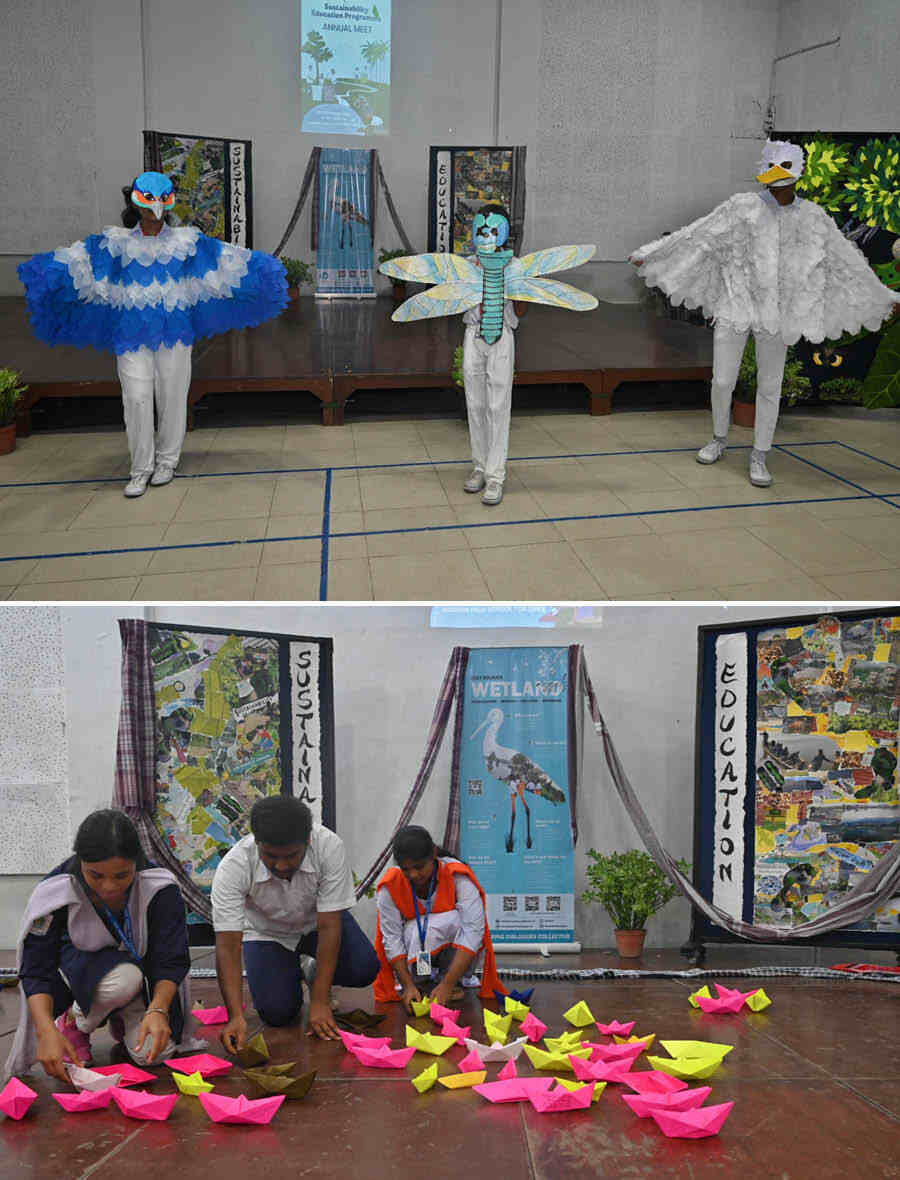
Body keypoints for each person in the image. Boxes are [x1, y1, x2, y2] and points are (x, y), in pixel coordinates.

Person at [630, 140, 900, 487]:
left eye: (785, 174)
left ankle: (760, 454)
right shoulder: (741, 207)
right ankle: (718, 439)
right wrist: (652, 253)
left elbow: (846, 261)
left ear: (797, 176)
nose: (778, 182)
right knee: (723, 380)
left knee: (770, 386)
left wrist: (885, 295)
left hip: (777, 314)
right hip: (736, 305)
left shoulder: (813, 217)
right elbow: (698, 235)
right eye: (773, 174)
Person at [17, 171, 288, 498]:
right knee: (137, 397)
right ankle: (140, 468)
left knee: (173, 394)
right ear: (135, 201)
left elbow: (224, 260)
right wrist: (47, 275)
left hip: (174, 331)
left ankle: (167, 460)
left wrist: (262, 269)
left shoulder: (186, 242)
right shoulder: (115, 242)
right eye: (148, 201)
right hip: (131, 333)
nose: (154, 209)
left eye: (161, 200)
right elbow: (82, 264)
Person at [6, 809, 192, 1082]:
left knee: (154, 1055)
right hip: (84, 977)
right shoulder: (55, 893)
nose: (108, 887)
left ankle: (126, 1014)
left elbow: (171, 960)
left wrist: (159, 1009)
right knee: (124, 979)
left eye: (121, 876)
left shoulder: (159, 887)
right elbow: (37, 969)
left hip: (146, 982)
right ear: (80, 862)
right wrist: (46, 1031)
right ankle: (74, 1021)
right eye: (95, 875)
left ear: (137, 864)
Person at [211, 796, 379, 1045]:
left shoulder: (328, 847)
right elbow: (228, 945)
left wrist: (321, 1002)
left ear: (308, 841)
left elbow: (329, 925)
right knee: (277, 1013)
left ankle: (314, 972)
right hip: (267, 932)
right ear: (256, 843)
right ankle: (286, 970)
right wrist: (235, 1016)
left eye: (291, 856)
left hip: (317, 925)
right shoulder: (233, 867)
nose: (280, 865)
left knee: (364, 968)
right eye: (270, 856)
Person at [373, 825, 506, 1010]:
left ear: (433, 855)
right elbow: (392, 938)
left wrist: (448, 984)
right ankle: (420, 985)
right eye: (406, 869)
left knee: (447, 923)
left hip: (453, 953)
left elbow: (473, 932)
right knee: (415, 930)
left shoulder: (458, 876)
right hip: (417, 954)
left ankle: (452, 981)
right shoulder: (390, 886)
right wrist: (408, 985)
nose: (413, 875)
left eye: (419, 867)